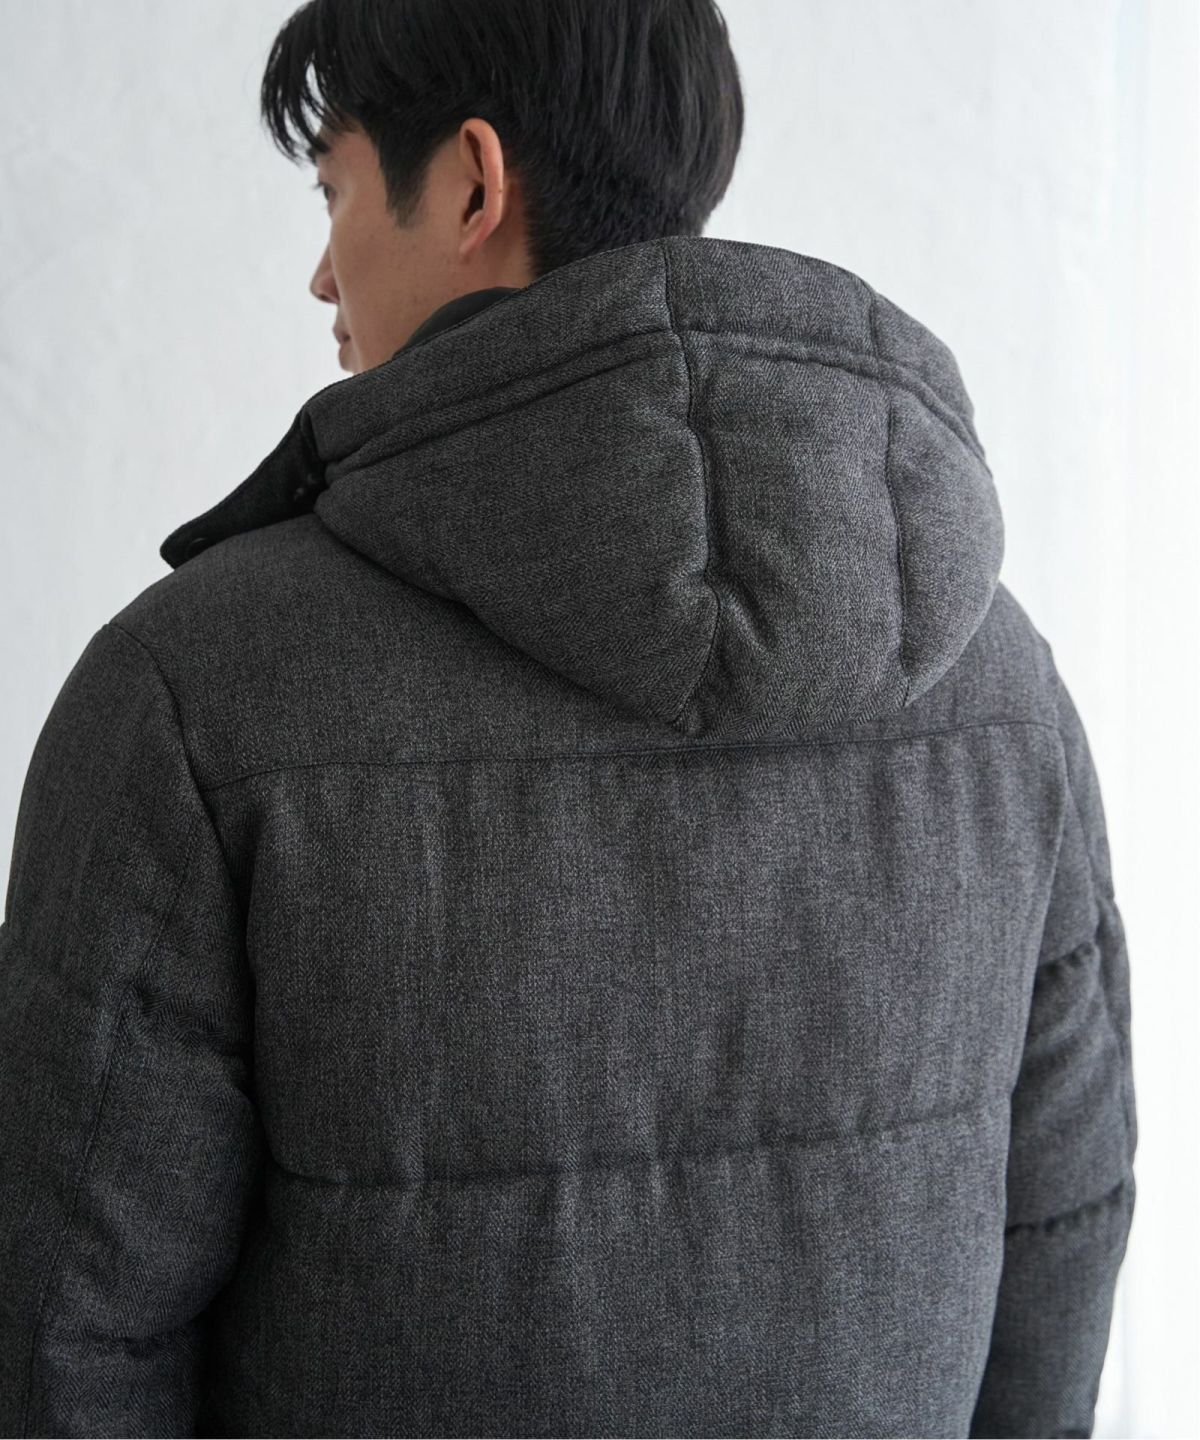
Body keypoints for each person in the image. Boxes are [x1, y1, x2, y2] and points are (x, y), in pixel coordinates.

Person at [0, 1, 1136, 1436]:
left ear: (471, 183)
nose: (320, 272)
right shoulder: (1000, 682)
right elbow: (1062, 1244)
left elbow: (62, 1331)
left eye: (335, 190)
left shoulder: (191, 697)